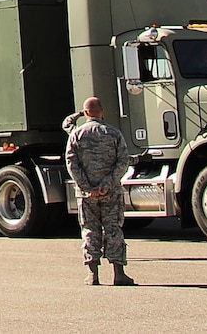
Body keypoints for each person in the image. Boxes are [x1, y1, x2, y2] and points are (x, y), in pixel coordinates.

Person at [65, 97, 133, 286]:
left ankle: (92, 274)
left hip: (87, 196)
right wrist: (107, 184)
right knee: (113, 229)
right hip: (110, 193)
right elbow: (123, 161)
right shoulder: (113, 134)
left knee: (89, 230)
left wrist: (87, 187)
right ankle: (119, 273)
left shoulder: (76, 135)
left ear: (86, 113)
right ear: (102, 111)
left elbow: (71, 163)